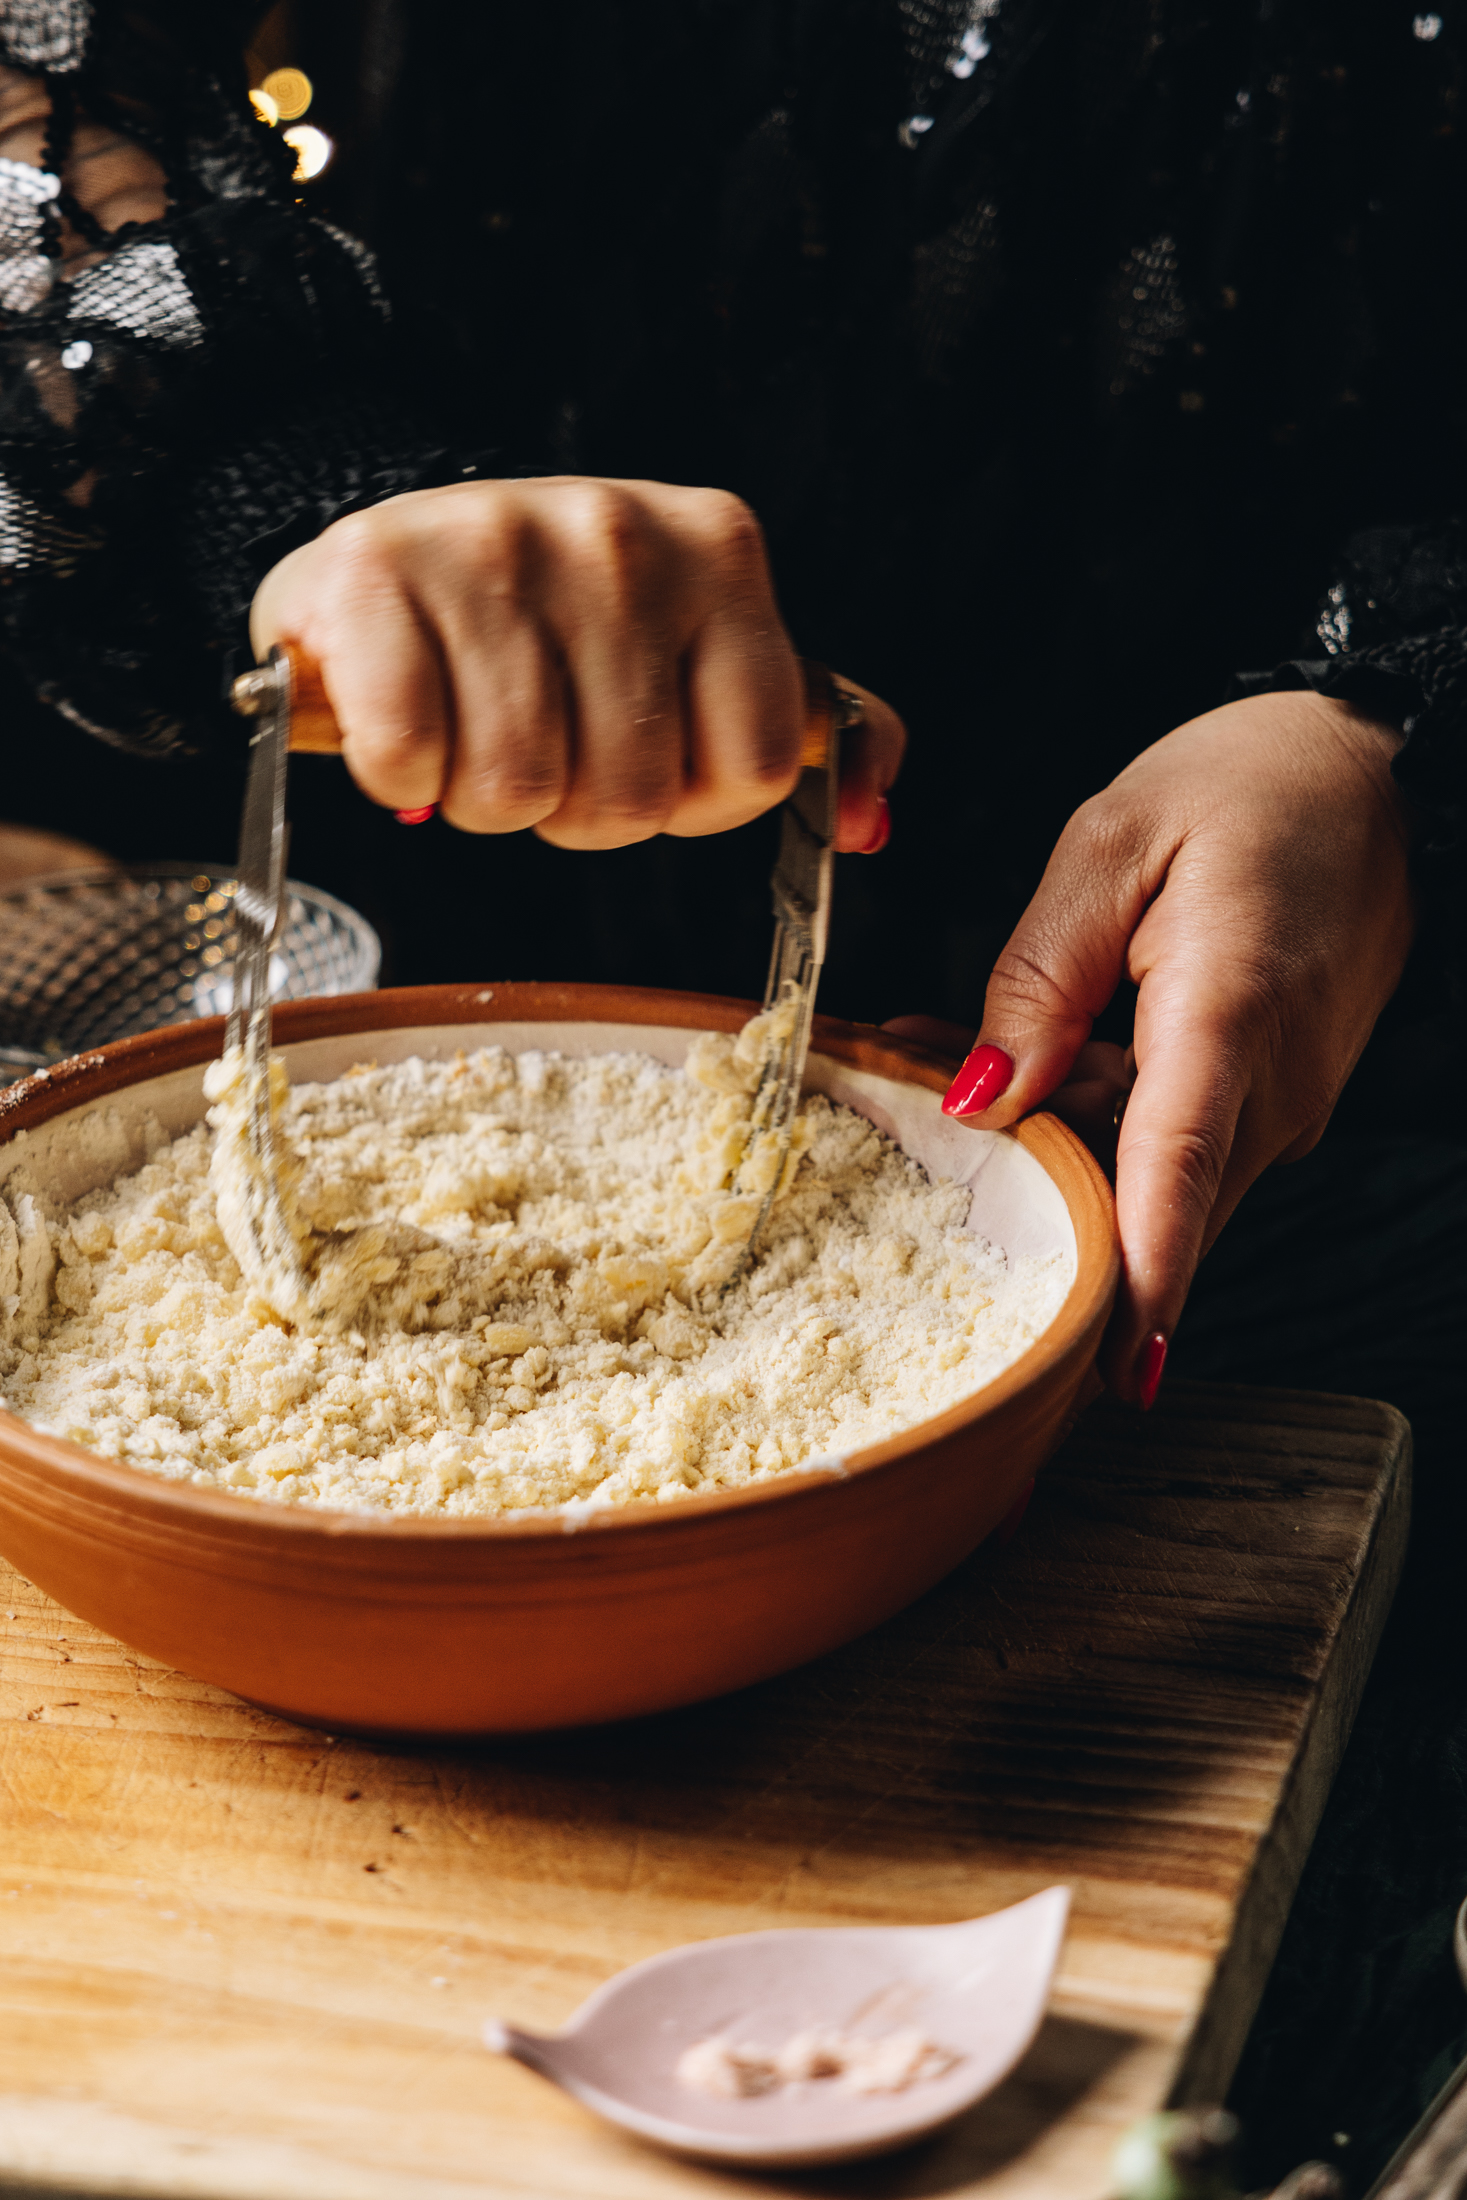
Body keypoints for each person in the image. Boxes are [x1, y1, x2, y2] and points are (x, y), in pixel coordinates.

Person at [0, 1, 1462, 2175]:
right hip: (437, 874)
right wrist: (304, 493)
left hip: (1279, 1120)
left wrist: (1385, 717)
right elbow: (55, 87)